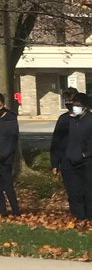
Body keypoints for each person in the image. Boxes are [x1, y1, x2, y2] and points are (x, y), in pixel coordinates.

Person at [50, 90, 92, 220]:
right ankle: (78, 217)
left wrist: (85, 154)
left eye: (77, 104)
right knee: (74, 193)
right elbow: (56, 141)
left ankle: (89, 217)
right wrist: (55, 162)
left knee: (88, 192)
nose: (74, 107)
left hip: (87, 162)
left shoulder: (89, 120)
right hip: (68, 161)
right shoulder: (65, 119)